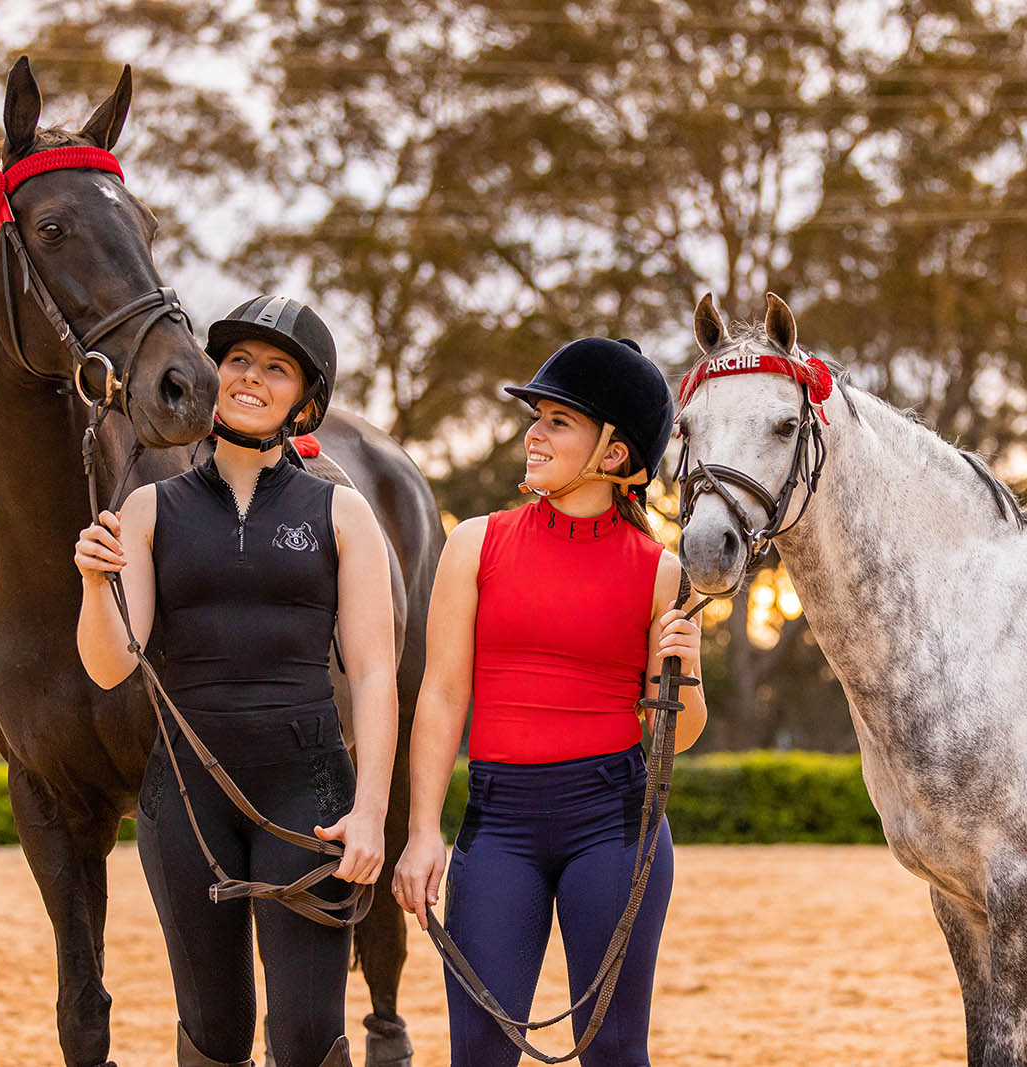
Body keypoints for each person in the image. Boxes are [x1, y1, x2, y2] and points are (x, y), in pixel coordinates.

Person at [74, 296, 397, 1067]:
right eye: (239, 361)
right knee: (213, 1034)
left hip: (310, 794)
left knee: (307, 1037)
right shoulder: (149, 509)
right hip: (184, 800)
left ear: (305, 400)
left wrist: (372, 814)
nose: (251, 377)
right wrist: (93, 585)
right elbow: (113, 661)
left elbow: (377, 671)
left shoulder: (341, 511)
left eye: (276, 368)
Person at [391, 336, 707, 1067]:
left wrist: (683, 670)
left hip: (616, 828)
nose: (533, 432)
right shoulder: (475, 543)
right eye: (537, 416)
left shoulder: (663, 574)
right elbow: (440, 695)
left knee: (615, 1052)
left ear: (616, 453)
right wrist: (421, 830)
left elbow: (679, 734)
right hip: (498, 826)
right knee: (480, 1054)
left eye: (558, 420)